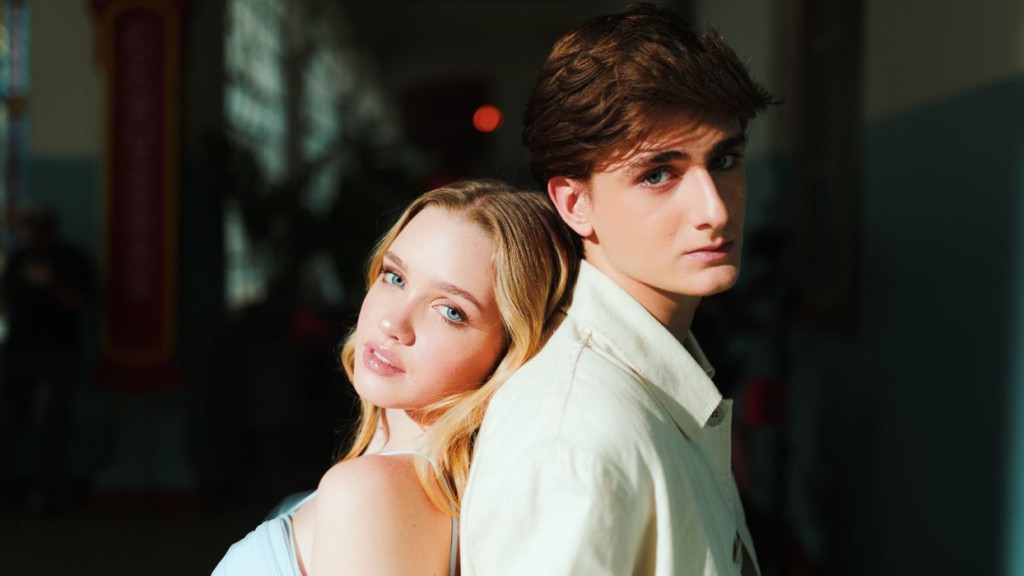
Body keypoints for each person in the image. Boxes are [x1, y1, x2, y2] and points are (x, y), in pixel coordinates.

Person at [460, 4, 776, 575]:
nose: (714, 208)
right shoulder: (574, 442)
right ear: (575, 203)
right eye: (658, 174)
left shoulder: (659, 376)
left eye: (724, 159)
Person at [213, 178, 579, 575]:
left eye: (450, 311)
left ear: (509, 349)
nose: (393, 323)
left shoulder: (371, 494)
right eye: (395, 277)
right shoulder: (397, 486)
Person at [0, 201, 95, 516]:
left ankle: (46, 493)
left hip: (57, 352)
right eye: (30, 227)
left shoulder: (72, 259)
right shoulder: (19, 258)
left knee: (53, 424)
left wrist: (51, 284)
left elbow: (85, 304)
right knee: (10, 420)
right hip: (19, 350)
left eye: (39, 226)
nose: (33, 233)